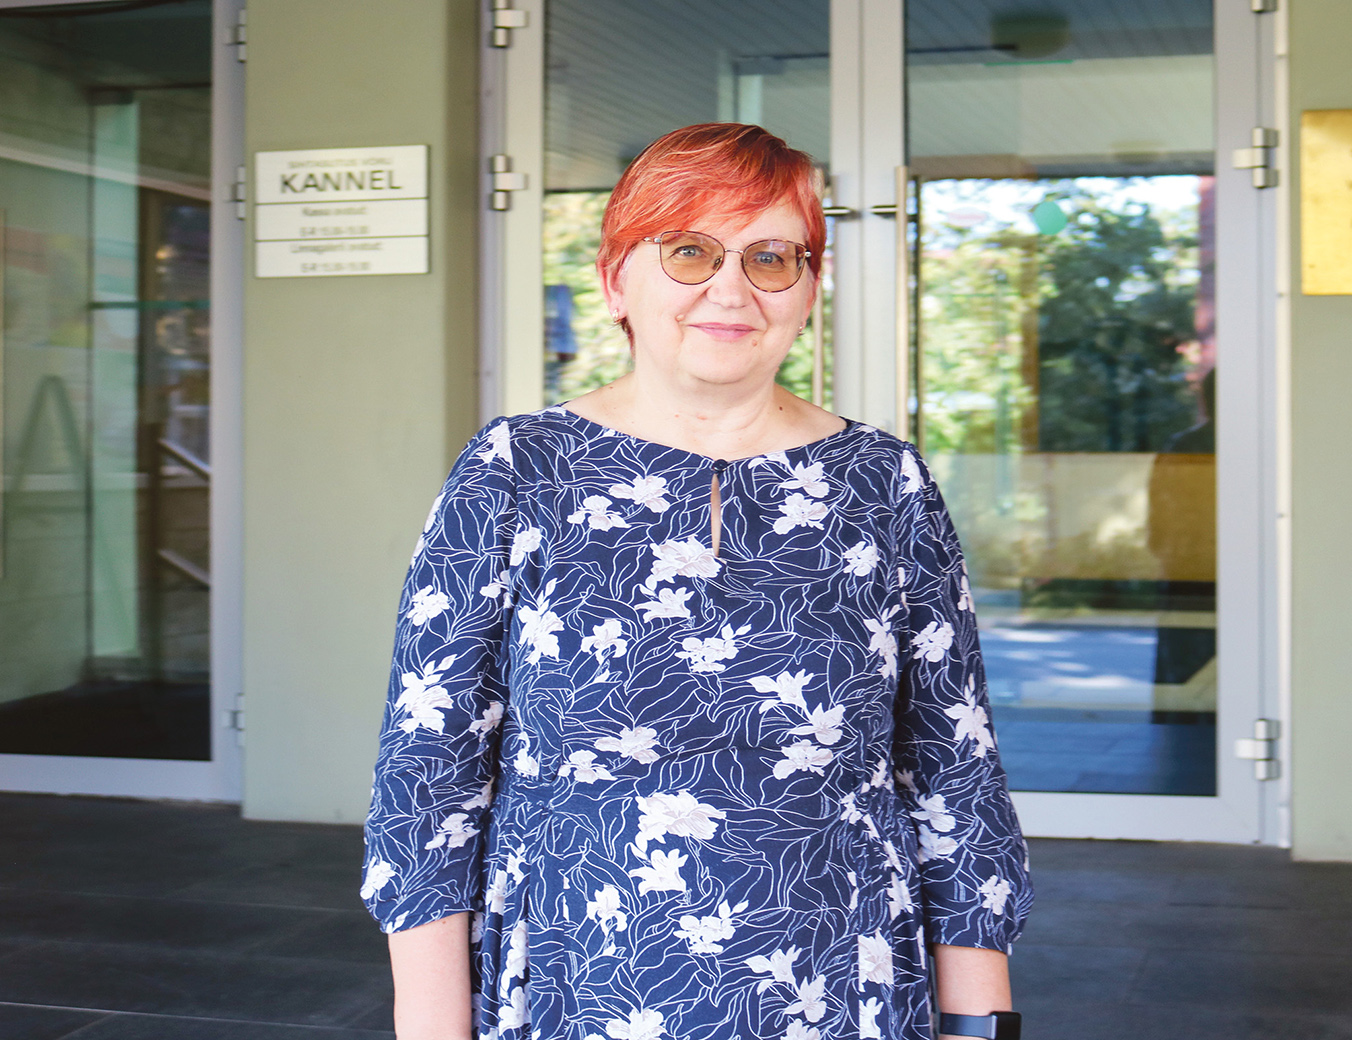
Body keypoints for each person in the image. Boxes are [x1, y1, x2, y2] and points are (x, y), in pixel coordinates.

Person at [362, 123, 1033, 1040]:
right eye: (689, 250)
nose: (731, 288)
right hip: (578, 991)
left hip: (843, 994)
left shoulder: (886, 484)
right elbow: (426, 777)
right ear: (615, 281)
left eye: (771, 257)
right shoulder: (517, 472)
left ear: (809, 289)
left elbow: (955, 771)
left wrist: (978, 1026)